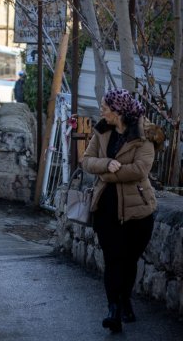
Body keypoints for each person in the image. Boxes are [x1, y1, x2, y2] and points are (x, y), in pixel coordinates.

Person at [82, 88, 159, 333]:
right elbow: (86, 161)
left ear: (118, 111)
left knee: (129, 261)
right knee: (112, 259)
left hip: (138, 211)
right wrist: (106, 164)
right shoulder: (102, 130)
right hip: (106, 208)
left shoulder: (143, 134)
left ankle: (125, 299)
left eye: (105, 107)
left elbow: (140, 170)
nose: (101, 110)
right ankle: (113, 309)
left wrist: (108, 175)